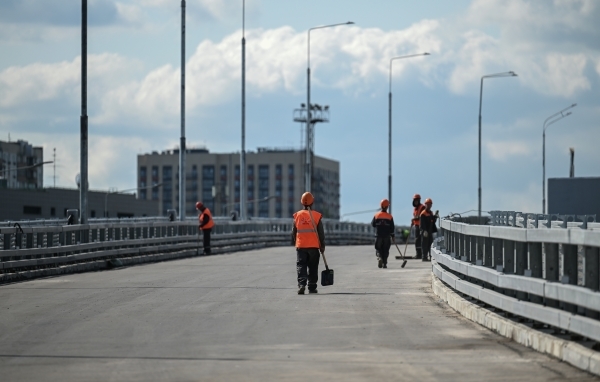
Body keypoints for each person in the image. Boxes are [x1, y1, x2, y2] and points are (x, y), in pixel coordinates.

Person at [291, 192, 325, 295]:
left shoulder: (297, 215)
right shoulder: (316, 216)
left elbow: (293, 231)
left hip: (301, 246)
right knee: (313, 266)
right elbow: (321, 232)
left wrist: (295, 242)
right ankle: (312, 287)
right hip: (314, 246)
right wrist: (322, 245)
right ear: (312, 202)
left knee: (301, 265)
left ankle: (301, 285)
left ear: (302, 202)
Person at [371, 199, 395, 269]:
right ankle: (384, 263)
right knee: (386, 249)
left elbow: (373, 224)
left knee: (378, 248)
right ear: (387, 207)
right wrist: (393, 236)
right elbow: (392, 228)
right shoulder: (390, 217)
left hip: (378, 235)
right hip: (387, 236)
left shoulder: (376, 215)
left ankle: (379, 257)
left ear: (381, 206)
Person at [411, 194, 426, 259]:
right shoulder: (415, 209)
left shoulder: (422, 207)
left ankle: (420, 254)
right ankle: (418, 253)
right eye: (415, 200)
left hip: (421, 226)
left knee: (420, 240)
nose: (416, 201)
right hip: (416, 225)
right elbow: (415, 216)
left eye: (417, 200)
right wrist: (413, 222)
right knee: (417, 240)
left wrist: (414, 219)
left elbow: (421, 216)